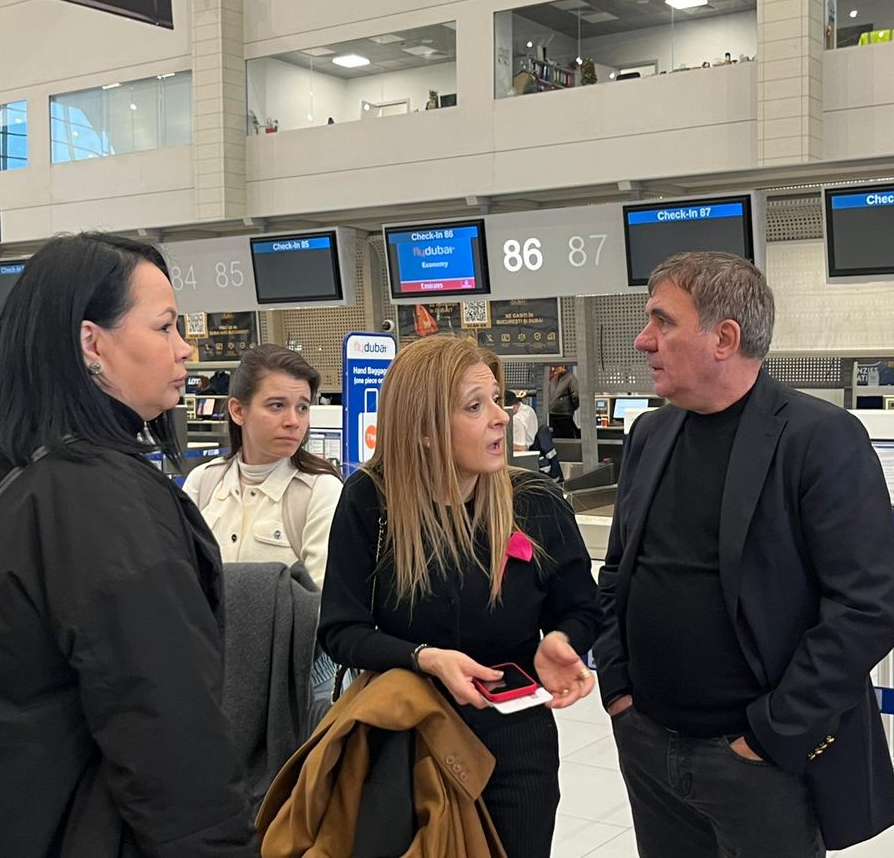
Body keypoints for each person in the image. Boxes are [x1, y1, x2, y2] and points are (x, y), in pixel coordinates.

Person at [0, 233, 257, 857]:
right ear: (92, 343)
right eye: (165, 326)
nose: (184, 348)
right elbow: (167, 726)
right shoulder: (103, 497)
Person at [594, 252, 894, 857]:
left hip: (757, 762)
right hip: (648, 742)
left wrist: (768, 736)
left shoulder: (818, 438)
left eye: (662, 321)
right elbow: (618, 572)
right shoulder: (650, 435)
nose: (643, 339)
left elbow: (864, 610)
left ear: (724, 338)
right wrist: (618, 690)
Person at [319, 335, 601, 858]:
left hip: (515, 746)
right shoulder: (371, 501)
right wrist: (424, 658)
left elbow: (582, 606)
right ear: (423, 429)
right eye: (475, 406)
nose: (500, 417)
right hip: (407, 740)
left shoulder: (535, 503)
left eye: (497, 399)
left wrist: (563, 640)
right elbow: (341, 629)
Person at [183, 343, 342, 587]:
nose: (293, 421)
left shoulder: (320, 492)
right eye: (277, 405)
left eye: (302, 407)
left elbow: (323, 598)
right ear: (238, 411)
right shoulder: (203, 482)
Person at [547, 364, 579, 438]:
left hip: (564, 415)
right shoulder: (554, 379)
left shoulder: (571, 378)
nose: (554, 369)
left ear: (563, 366)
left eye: (556, 367)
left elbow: (576, 396)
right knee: (557, 438)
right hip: (553, 414)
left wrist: (571, 407)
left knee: (567, 437)